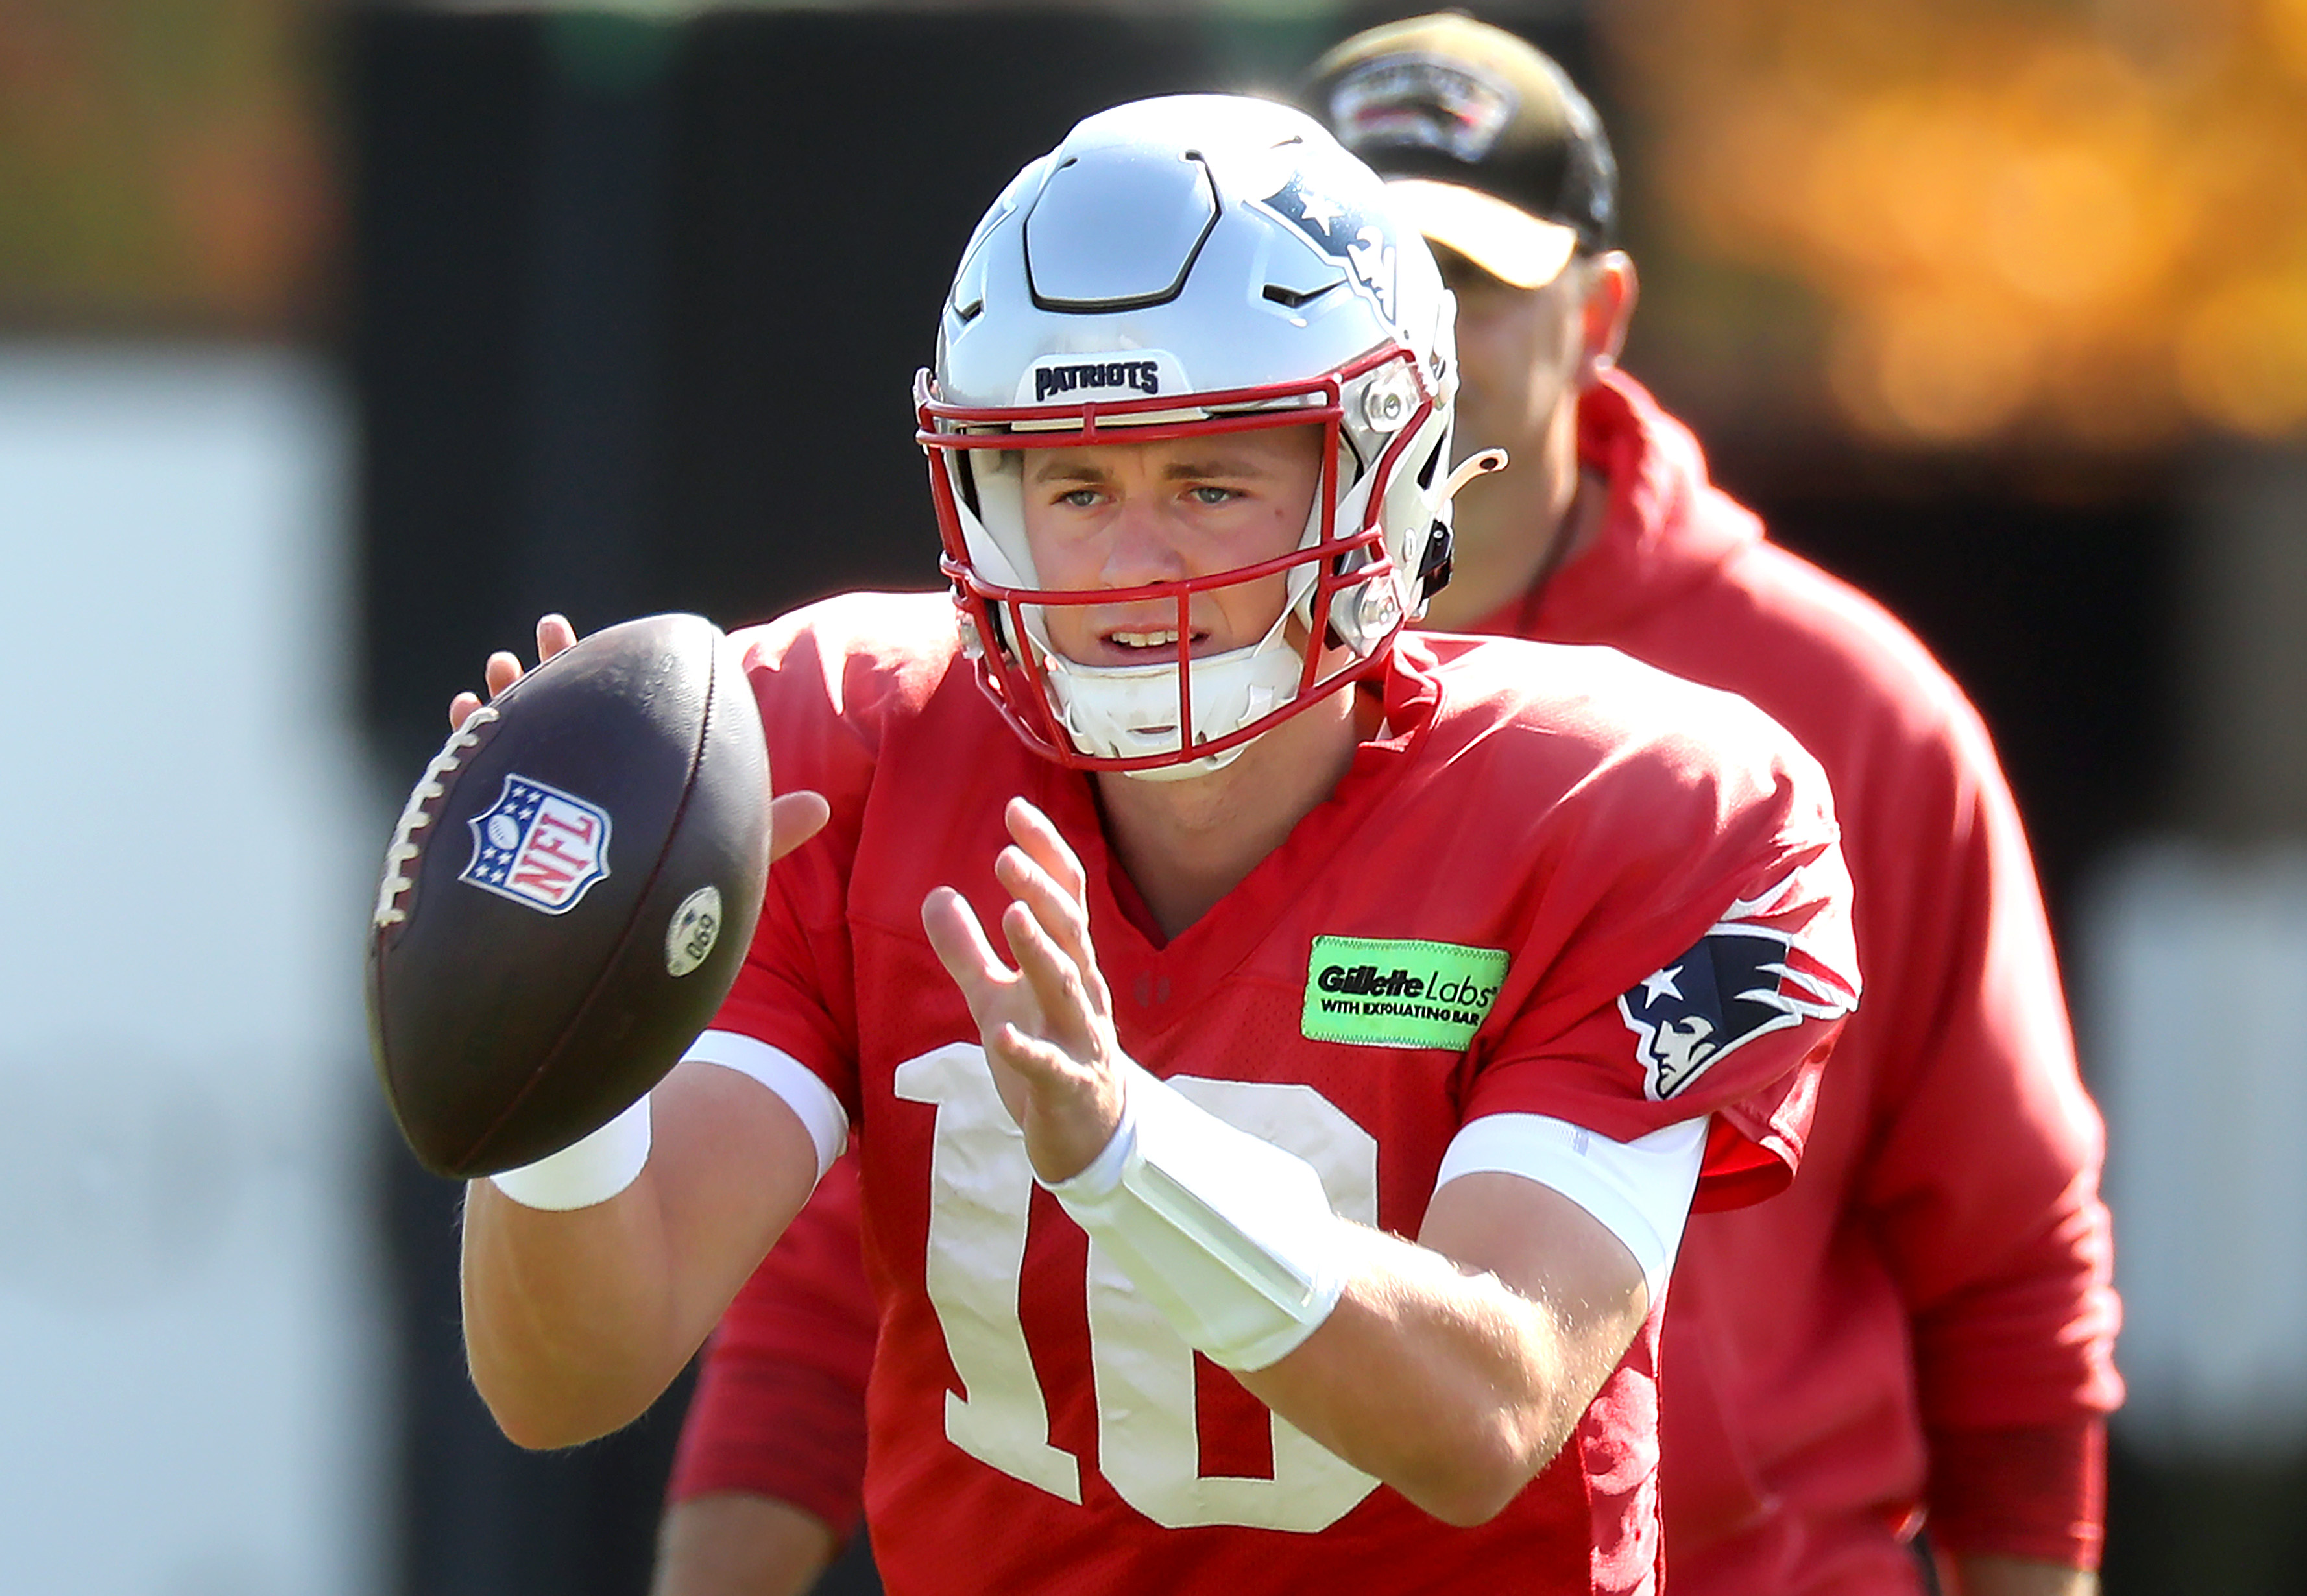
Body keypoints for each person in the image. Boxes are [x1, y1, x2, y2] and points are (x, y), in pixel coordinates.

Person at [654, 18, 2121, 1596]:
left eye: (1464, 273)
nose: (1411, 324)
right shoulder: (1042, 712)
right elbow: (872, 1249)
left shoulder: (1811, 722)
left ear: (1594, 310)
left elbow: (2006, 1261)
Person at [450, 92, 1863, 1596]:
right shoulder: (836, 751)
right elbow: (568, 1381)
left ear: (1376, 475)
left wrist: (1127, 1151)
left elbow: (1485, 1407)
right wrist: (568, 1060)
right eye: (1074, 485)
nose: (1133, 564)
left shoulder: (1634, 807)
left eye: (1208, 483)